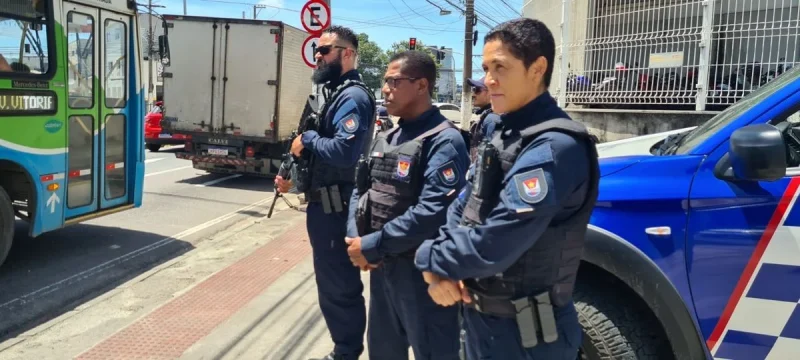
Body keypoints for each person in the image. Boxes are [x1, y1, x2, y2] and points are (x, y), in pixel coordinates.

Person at [413, 18, 601, 360]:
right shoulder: (502, 131)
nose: (489, 80)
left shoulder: (556, 147)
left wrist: (431, 260)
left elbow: (495, 242)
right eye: (486, 68)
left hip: (526, 338)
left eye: (500, 67)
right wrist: (445, 267)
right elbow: (464, 206)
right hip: (481, 322)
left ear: (537, 68)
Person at [345, 50, 470, 360]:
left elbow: (433, 212)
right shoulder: (386, 137)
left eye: (393, 81)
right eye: (385, 81)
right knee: (384, 352)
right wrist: (355, 239)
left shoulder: (444, 141)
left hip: (423, 275)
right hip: (382, 268)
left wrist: (371, 244)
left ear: (421, 85)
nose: (385, 89)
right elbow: (360, 190)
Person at [274, 25, 376, 360]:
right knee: (330, 285)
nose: (318, 56)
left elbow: (344, 153)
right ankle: (343, 348)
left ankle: (345, 352)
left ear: (348, 53)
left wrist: (310, 141)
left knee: (339, 287)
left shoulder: (353, 96)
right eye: (317, 51)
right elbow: (306, 146)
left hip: (338, 205)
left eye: (326, 50)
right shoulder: (330, 95)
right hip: (322, 204)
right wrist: (290, 176)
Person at [465, 76, 500, 160]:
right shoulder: (487, 117)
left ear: (490, 92)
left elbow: (489, 159)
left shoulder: (492, 120)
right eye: (473, 90)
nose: (473, 94)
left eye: (477, 90)